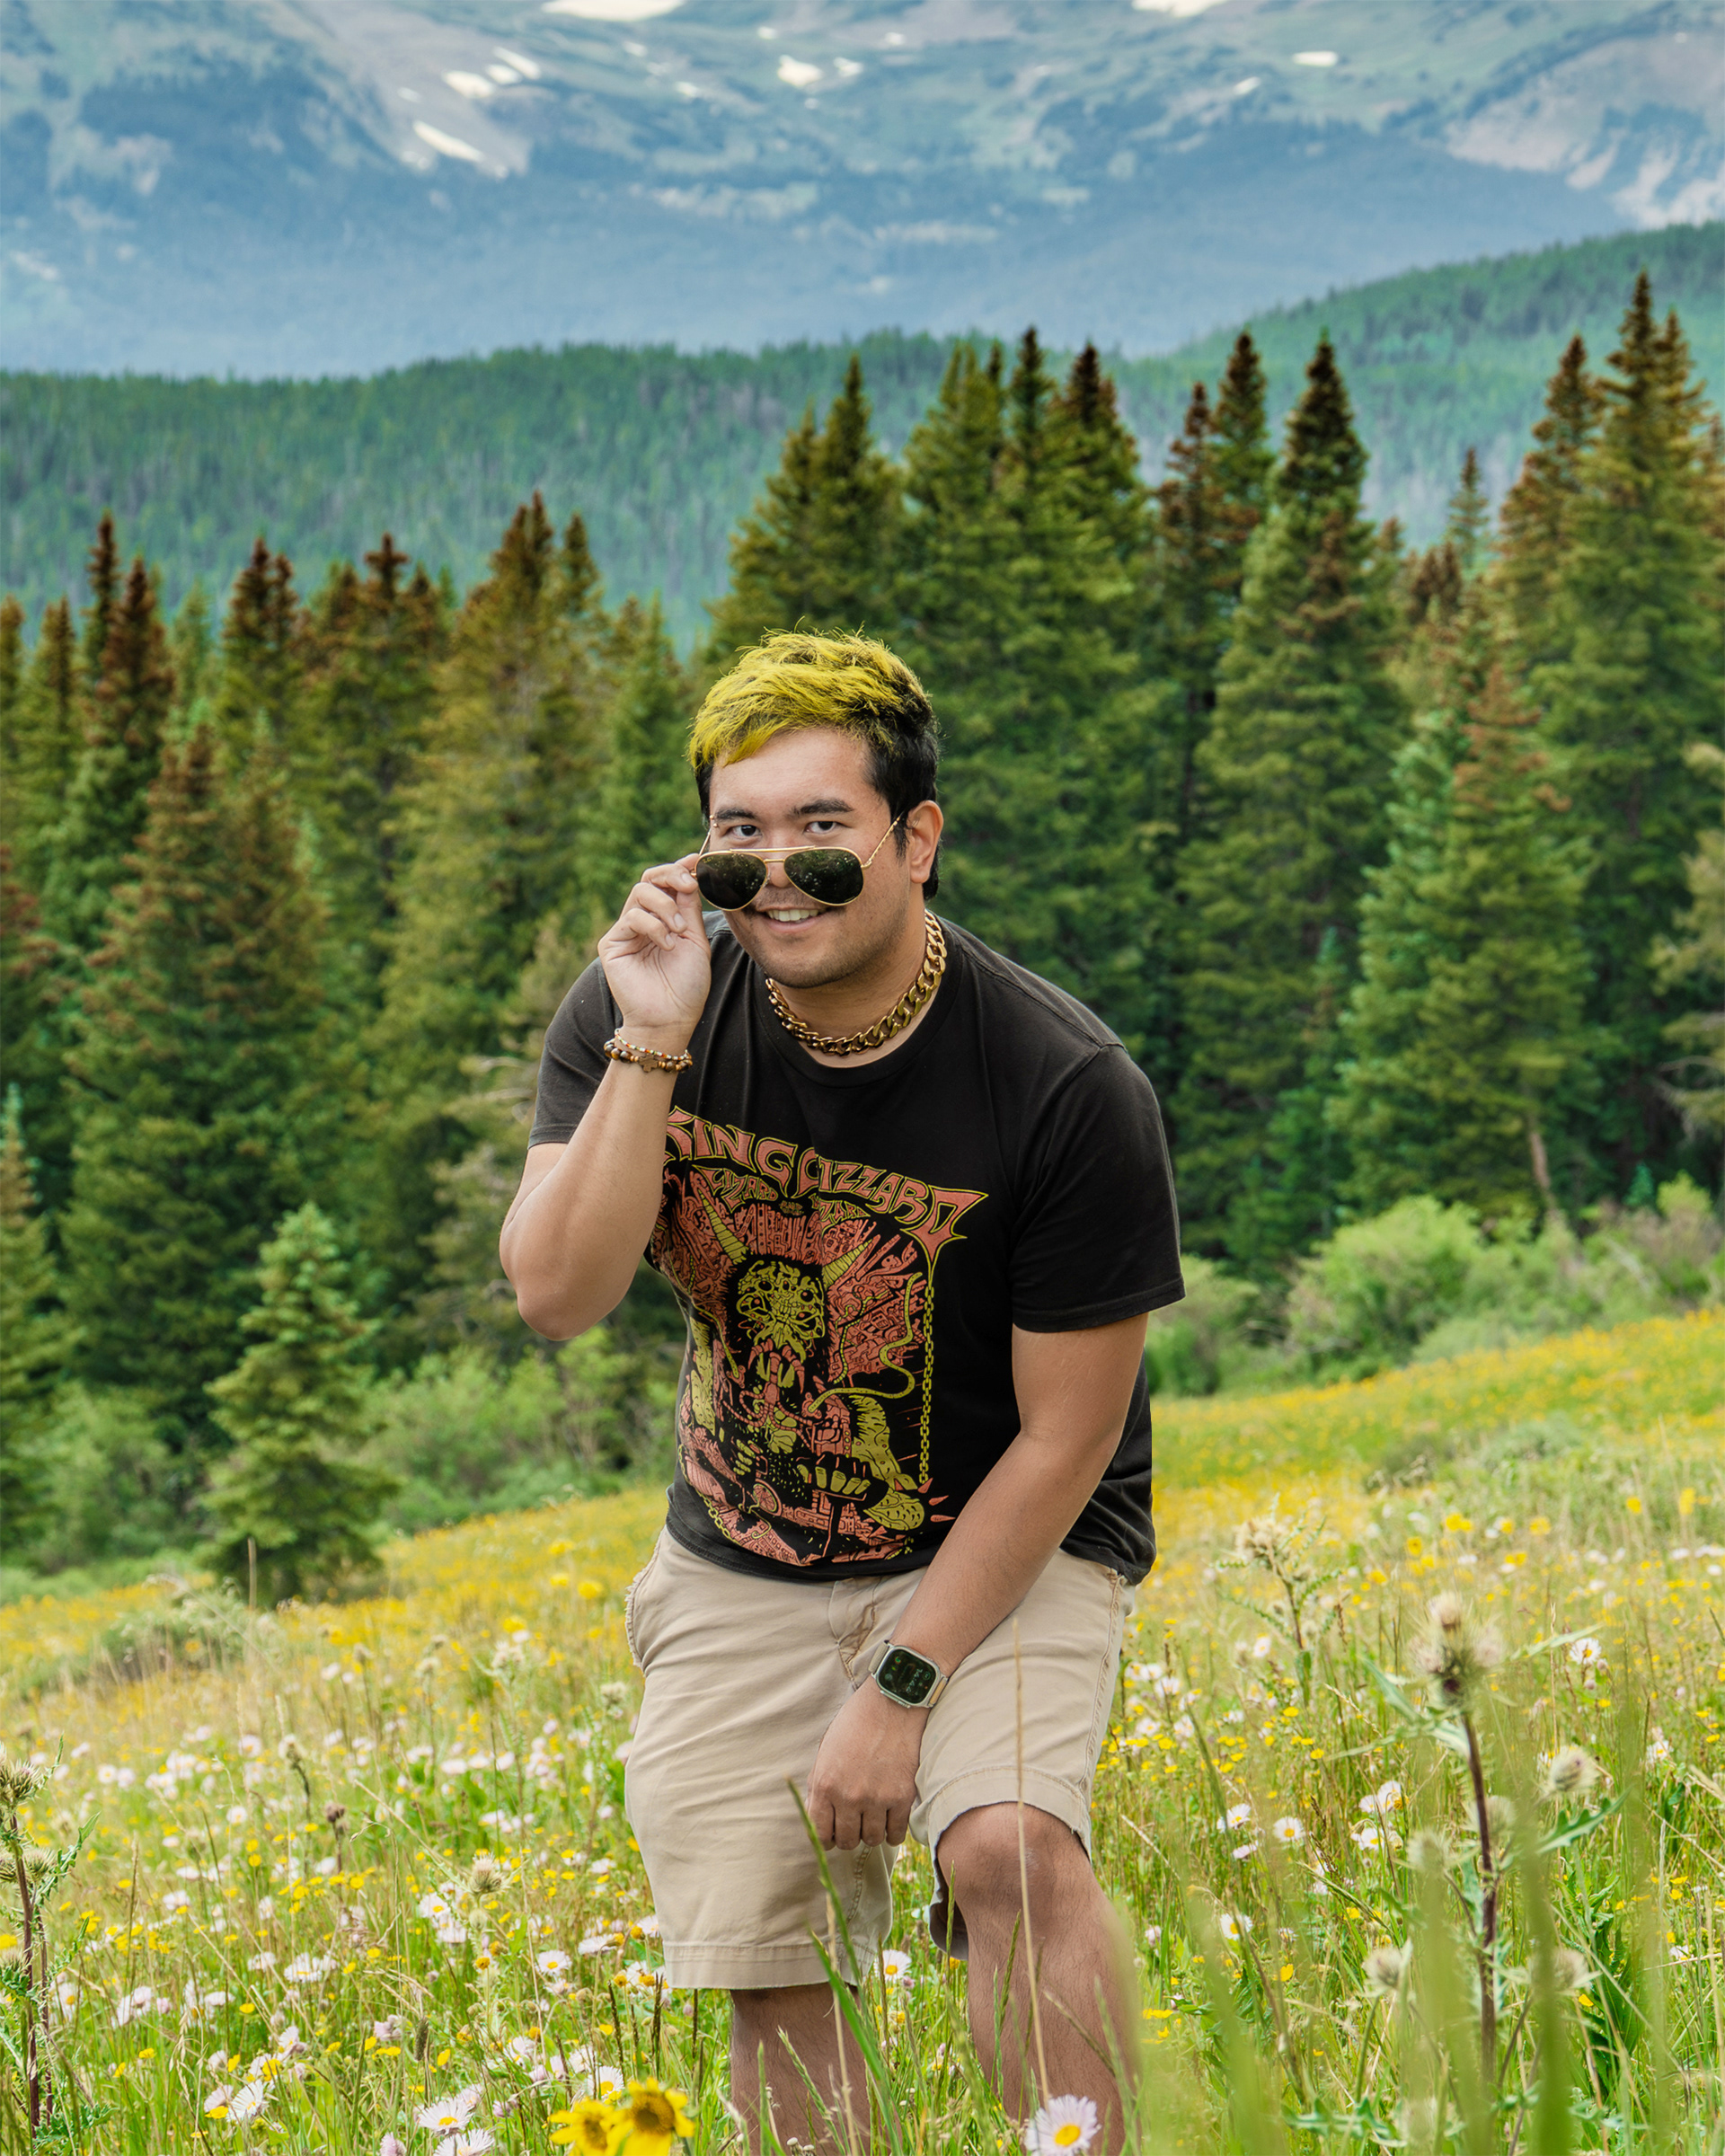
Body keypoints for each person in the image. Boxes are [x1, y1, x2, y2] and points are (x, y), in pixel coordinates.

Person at [500, 631, 1182, 2152]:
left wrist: (901, 1688)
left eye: (823, 833)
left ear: (915, 840)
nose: (779, 879)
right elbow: (556, 1292)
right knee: (770, 1958)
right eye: (736, 842)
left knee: (1008, 1851)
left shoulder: (1064, 1085)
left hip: (1003, 1537)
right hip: (744, 1544)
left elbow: (1069, 1438)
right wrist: (651, 1040)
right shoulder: (638, 1012)